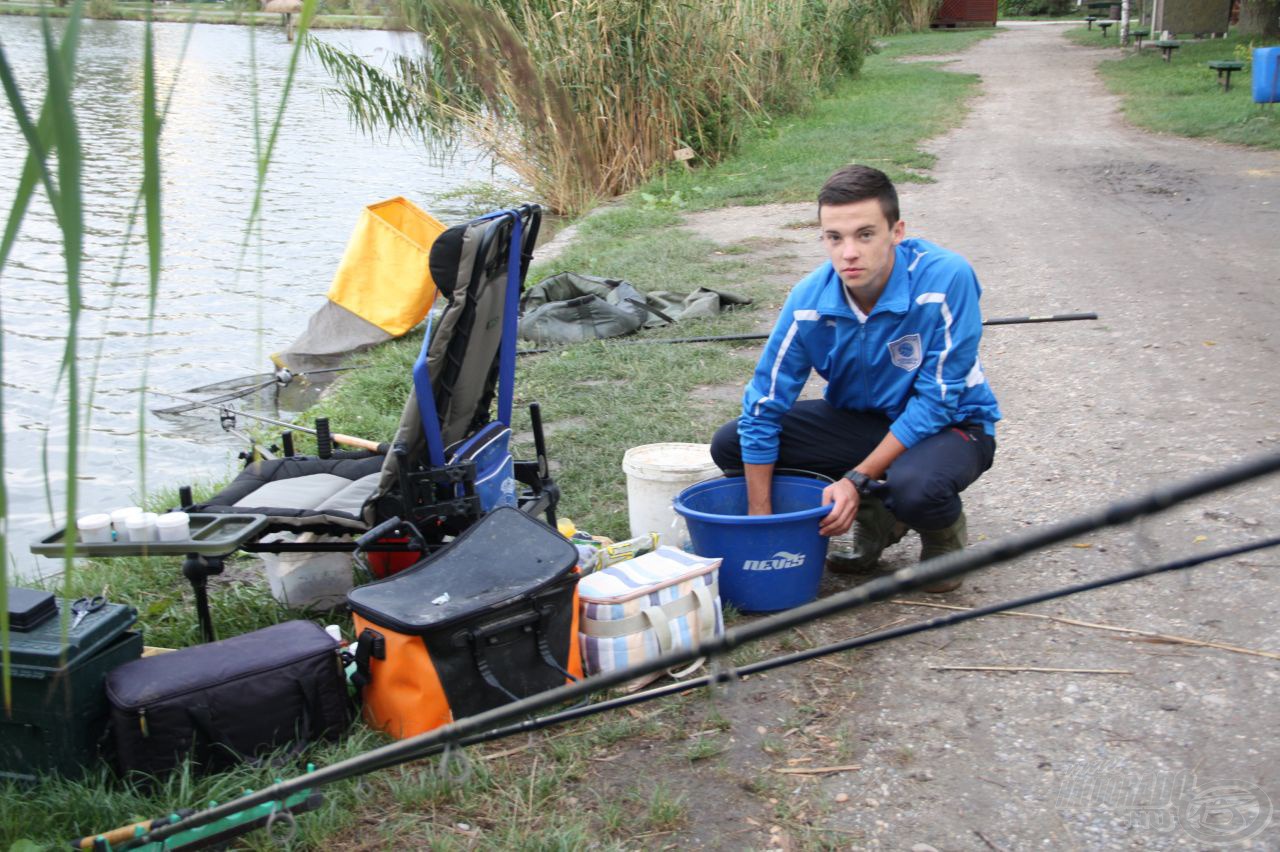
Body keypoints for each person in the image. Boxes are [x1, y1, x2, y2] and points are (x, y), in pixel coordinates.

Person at [709, 165, 1000, 592]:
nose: (848, 253)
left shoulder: (947, 277)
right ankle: (879, 515)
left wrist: (855, 478)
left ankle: (942, 534)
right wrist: (761, 518)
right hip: (862, 421)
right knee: (732, 444)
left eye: (865, 234)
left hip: (953, 424)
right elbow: (763, 406)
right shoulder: (808, 300)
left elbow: (937, 400)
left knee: (915, 486)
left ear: (896, 231)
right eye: (834, 237)